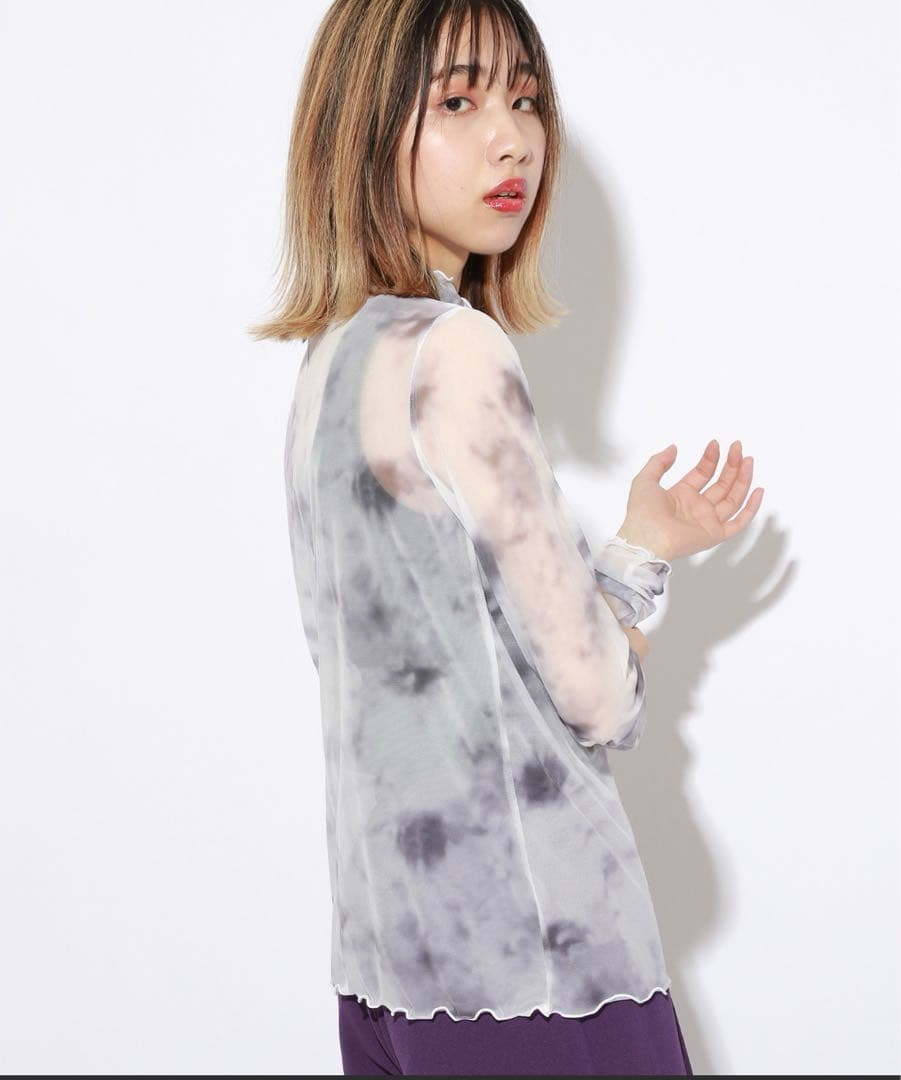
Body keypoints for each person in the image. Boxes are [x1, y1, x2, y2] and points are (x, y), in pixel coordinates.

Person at [249, 0, 764, 1074]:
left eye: (524, 100)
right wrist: (640, 567)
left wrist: (631, 542)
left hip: (390, 967)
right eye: (458, 102)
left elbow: (439, 682)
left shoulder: (327, 365)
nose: (512, 140)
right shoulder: (455, 350)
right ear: (364, 122)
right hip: (539, 967)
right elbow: (598, 698)